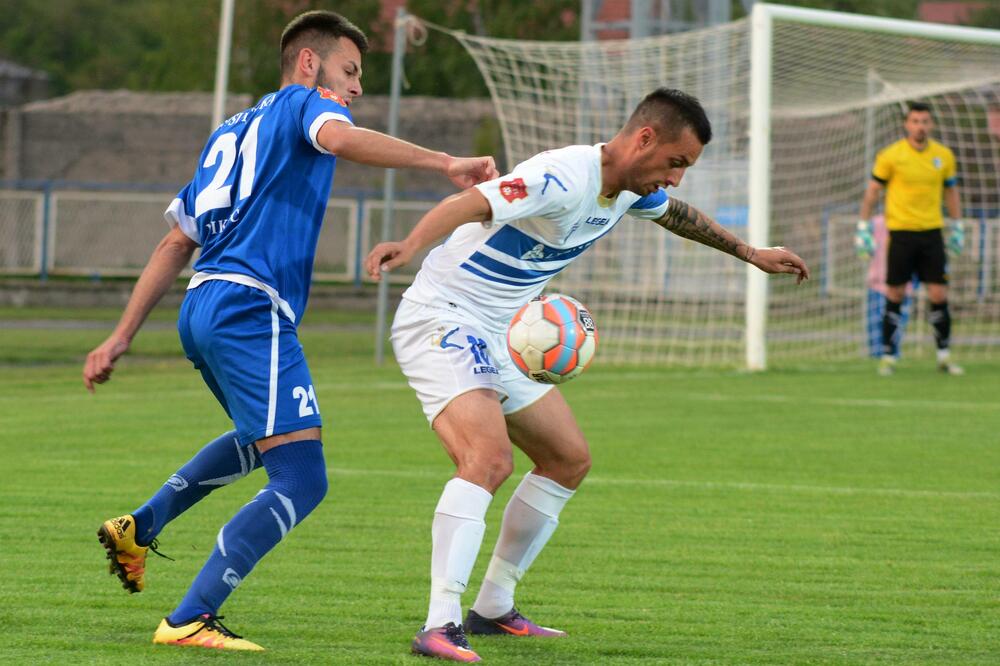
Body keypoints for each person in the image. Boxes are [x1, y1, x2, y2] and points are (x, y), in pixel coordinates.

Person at [84, 10, 498, 651]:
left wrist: (120, 336)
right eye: (350, 71)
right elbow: (341, 139)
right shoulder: (304, 104)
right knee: (303, 478)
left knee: (264, 441)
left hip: (203, 305)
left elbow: (175, 242)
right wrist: (445, 162)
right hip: (250, 308)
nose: (356, 87)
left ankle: (140, 526)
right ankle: (191, 616)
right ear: (309, 63)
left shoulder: (229, 131)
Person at [364, 88, 809, 663]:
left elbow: (676, 216)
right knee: (488, 460)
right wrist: (410, 244)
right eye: (675, 162)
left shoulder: (628, 190)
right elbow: (472, 202)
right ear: (644, 138)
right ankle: (439, 624)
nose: (675, 179)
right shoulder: (561, 177)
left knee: (567, 460)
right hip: (443, 316)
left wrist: (750, 253)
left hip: (502, 330)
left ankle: (493, 606)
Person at [856, 102, 964, 376]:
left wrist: (958, 226)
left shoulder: (943, 156)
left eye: (925, 121)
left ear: (931, 124)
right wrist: (863, 227)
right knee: (895, 293)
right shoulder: (891, 155)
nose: (920, 126)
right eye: (915, 121)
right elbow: (873, 191)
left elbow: (951, 192)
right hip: (901, 234)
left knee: (939, 294)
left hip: (932, 234)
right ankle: (888, 357)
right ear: (907, 124)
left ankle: (944, 356)